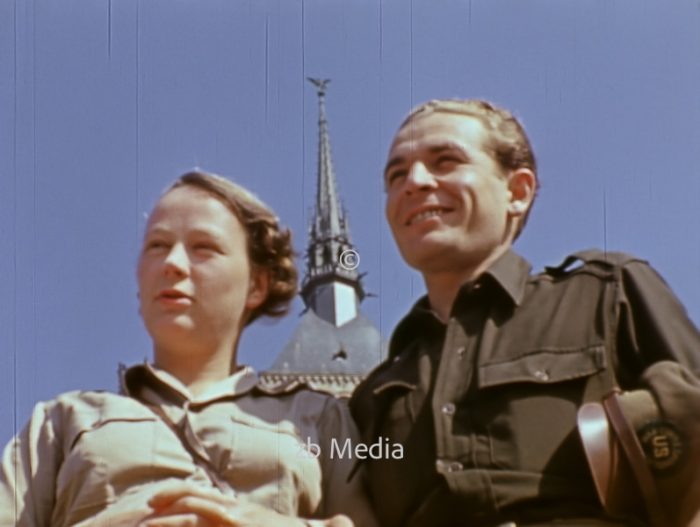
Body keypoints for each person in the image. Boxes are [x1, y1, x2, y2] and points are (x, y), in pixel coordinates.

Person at [349, 99, 700, 527]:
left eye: (445, 161)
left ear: (517, 192)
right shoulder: (374, 397)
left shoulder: (606, 295)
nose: (414, 182)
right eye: (396, 174)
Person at [0, 170, 377, 527]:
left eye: (203, 248)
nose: (172, 263)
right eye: (157, 246)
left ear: (256, 286)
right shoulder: (61, 423)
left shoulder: (320, 419)